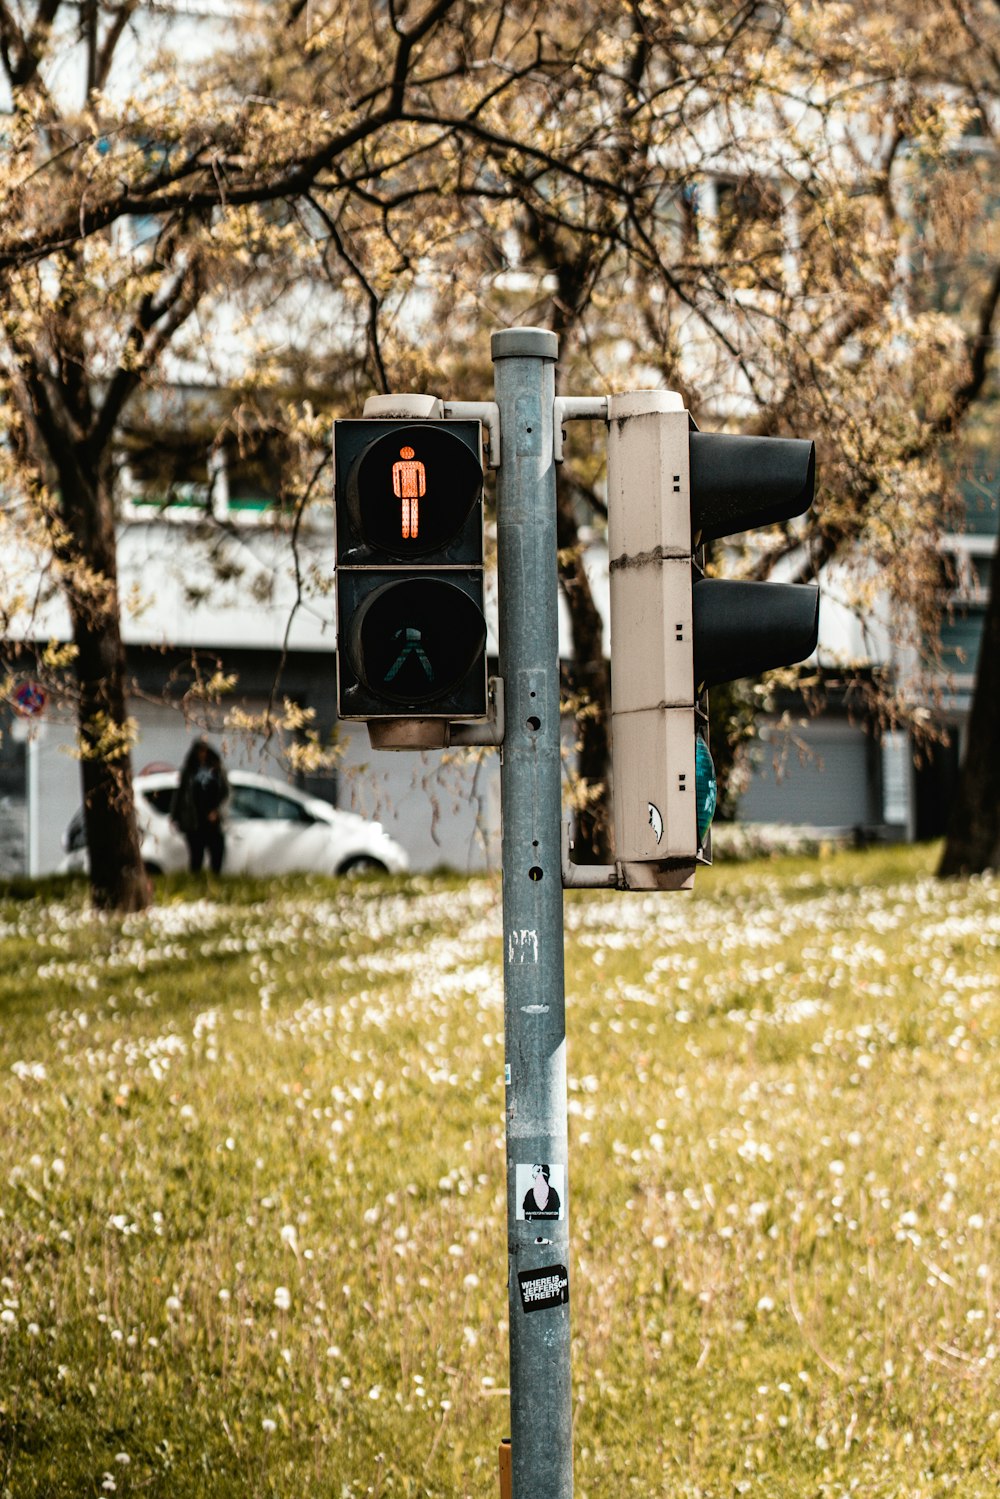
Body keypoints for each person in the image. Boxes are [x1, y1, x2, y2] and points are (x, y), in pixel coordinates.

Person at [171, 739, 229, 874]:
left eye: (204, 751)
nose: (202, 754)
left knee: (217, 850)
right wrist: (175, 815)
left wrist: (218, 811)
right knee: (197, 853)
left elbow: (226, 793)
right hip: (195, 820)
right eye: (199, 751)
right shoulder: (189, 771)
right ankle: (196, 881)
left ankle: (215, 880)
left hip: (213, 819)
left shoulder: (217, 769)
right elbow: (180, 794)